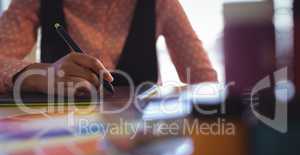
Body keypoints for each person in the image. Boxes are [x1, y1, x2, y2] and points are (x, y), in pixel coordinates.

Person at [0, 0, 217, 95]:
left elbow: (206, 83)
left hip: (138, 138)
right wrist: (38, 75)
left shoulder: (161, 3)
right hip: (59, 129)